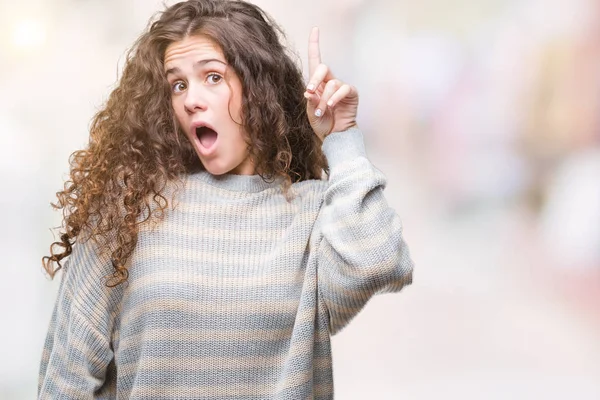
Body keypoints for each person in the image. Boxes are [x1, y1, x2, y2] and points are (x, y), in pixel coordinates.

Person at [38, 0, 414, 398]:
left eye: (212, 77)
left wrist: (342, 137)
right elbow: (66, 380)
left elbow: (378, 262)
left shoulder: (313, 214)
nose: (190, 100)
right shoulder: (128, 211)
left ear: (258, 89)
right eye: (178, 84)